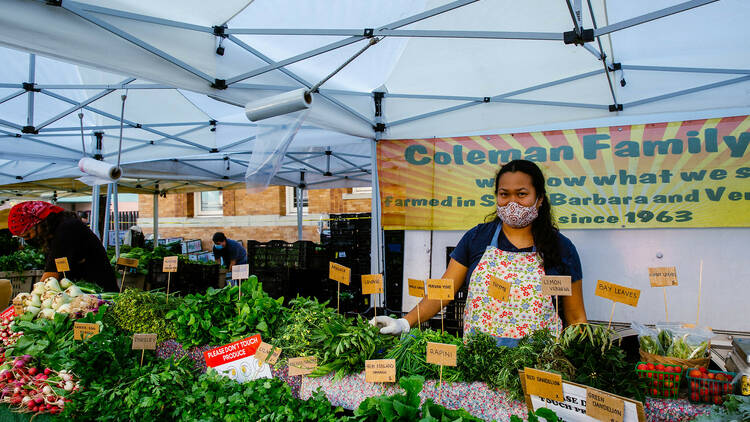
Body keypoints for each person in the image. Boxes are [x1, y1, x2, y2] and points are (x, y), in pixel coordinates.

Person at [372, 160, 587, 346]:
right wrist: (404, 322)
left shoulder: (561, 248)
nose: (512, 203)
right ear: (496, 196)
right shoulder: (477, 239)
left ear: (539, 198)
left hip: (539, 368)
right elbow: (443, 292)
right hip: (479, 362)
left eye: (522, 194)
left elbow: (576, 317)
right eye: (504, 194)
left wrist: (585, 358)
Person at [8, 201, 118, 292]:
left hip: (98, 290)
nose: (28, 240)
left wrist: (32, 297)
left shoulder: (66, 229)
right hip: (80, 290)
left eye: (28, 235)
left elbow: (51, 275)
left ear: (39, 223)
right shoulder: (52, 233)